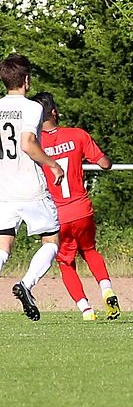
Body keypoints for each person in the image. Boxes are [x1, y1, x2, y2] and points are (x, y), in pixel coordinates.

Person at [34, 92, 119, 321]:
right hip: (81, 208)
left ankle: (86, 309)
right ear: (54, 112)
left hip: (56, 214)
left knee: (65, 262)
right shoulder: (77, 135)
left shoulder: (34, 144)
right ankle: (106, 289)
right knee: (89, 251)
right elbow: (104, 164)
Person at [0, 54, 65, 321]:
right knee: (51, 241)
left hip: (4, 189)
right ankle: (26, 284)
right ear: (26, 80)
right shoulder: (32, 108)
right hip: (30, 187)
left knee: (3, 246)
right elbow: (27, 143)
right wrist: (53, 165)